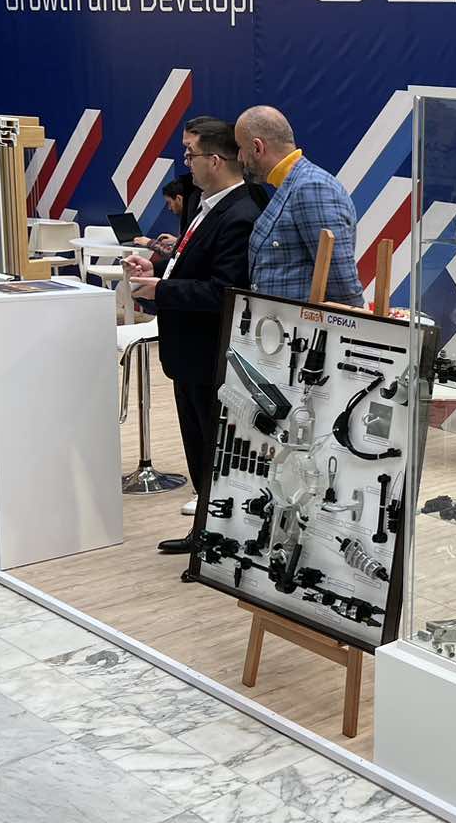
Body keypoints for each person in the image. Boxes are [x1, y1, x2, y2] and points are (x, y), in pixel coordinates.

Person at [124, 117, 263, 552]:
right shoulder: (207, 206)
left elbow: (225, 291)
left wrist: (162, 289)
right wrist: (157, 269)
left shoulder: (240, 213)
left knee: (215, 452)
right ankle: (206, 532)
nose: (186, 162)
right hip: (189, 356)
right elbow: (191, 266)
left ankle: (218, 539)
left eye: (190, 153)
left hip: (211, 357)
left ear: (216, 160)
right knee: (200, 450)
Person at [234, 105, 361, 304]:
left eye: (240, 148)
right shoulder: (292, 185)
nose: (239, 157)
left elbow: (342, 284)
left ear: (258, 147)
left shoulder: (311, 188)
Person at [134, 174, 198, 267]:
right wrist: (177, 241)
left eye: (169, 202)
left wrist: (149, 243)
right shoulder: (194, 215)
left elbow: (176, 254)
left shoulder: (192, 219)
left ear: (179, 199)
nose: (169, 208)